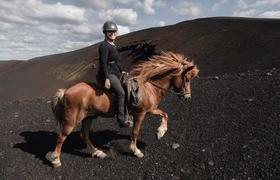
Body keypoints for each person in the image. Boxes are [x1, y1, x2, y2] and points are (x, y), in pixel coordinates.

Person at [96, 21, 131, 128]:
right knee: (121, 93)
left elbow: (116, 62)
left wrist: (122, 72)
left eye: (114, 31)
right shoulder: (104, 46)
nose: (112, 33)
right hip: (108, 74)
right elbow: (103, 63)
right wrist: (106, 78)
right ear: (105, 33)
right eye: (109, 31)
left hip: (115, 73)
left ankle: (128, 113)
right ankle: (121, 120)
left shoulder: (113, 45)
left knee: (129, 86)